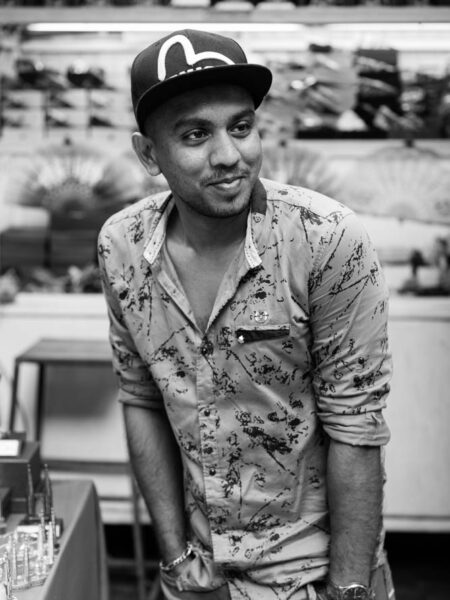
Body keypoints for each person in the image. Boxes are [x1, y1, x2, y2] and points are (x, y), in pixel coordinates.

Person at [98, 29, 395, 600]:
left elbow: (357, 426)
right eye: (195, 134)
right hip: (199, 574)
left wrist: (348, 588)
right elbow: (140, 395)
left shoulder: (325, 239)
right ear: (148, 154)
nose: (229, 156)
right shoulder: (124, 246)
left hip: (313, 574)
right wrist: (175, 554)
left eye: (241, 126)